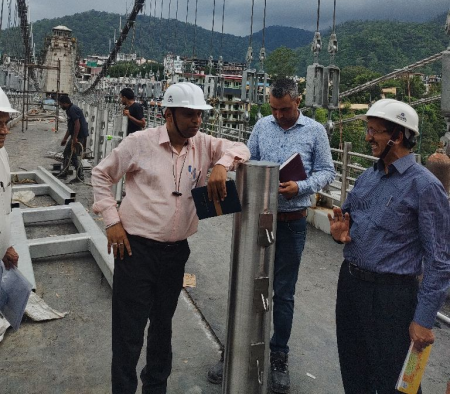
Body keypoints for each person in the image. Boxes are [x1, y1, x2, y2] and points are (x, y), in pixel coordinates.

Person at [92, 82, 250, 394]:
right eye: (189, 114)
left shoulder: (203, 145)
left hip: (175, 253)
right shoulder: (140, 143)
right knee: (128, 332)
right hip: (136, 251)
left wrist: (221, 165)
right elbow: (101, 174)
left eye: (199, 115)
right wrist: (111, 221)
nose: (196, 120)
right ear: (168, 115)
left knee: (162, 328)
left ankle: (155, 388)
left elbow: (242, 148)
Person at [208, 77, 335, 394]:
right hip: (257, 217)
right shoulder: (262, 126)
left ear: (297, 102)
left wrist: (300, 187)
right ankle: (232, 351)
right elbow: (245, 157)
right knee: (245, 283)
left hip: (292, 222)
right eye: (274, 109)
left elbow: (327, 171)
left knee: (284, 292)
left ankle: (278, 356)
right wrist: (225, 165)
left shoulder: (315, 131)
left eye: (285, 110)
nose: (278, 115)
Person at [328, 99, 450, 394]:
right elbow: (348, 220)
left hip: (392, 298)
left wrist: (423, 319)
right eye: (368, 130)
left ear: (397, 135)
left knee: (395, 384)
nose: (368, 137)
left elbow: (439, 260)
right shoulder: (368, 177)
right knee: (354, 374)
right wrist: (339, 232)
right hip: (351, 286)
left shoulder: (425, 187)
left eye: (375, 131)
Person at [0, 88, 19, 272]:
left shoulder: (2, 153)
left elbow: (4, 207)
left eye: (5, 123)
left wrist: (5, 245)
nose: (5, 131)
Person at [57, 94, 89, 182]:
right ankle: (65, 172)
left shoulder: (72, 109)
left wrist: (74, 138)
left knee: (73, 154)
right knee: (68, 153)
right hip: (76, 135)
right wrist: (65, 139)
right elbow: (70, 127)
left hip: (79, 135)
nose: (60, 106)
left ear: (65, 103)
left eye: (61, 104)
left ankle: (79, 176)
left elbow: (77, 124)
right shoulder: (69, 110)